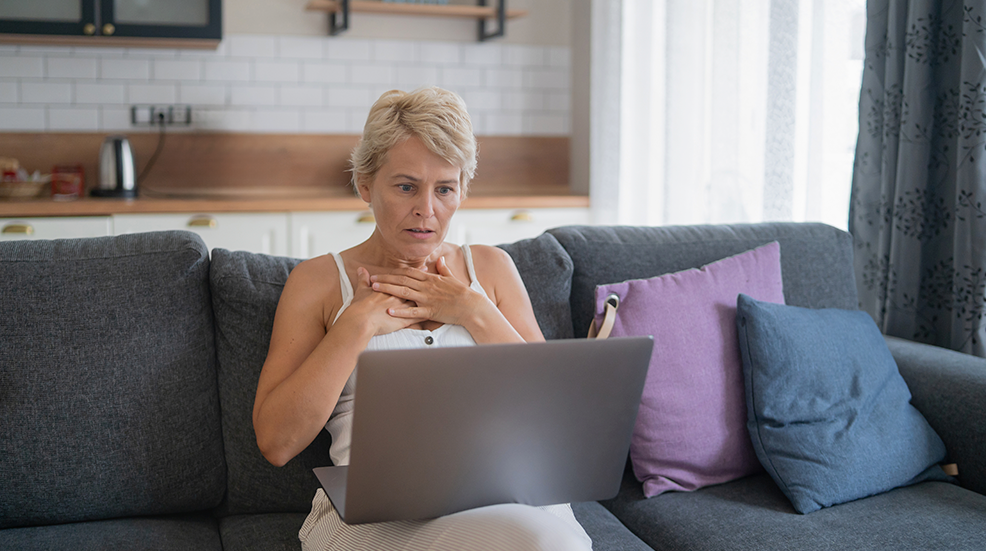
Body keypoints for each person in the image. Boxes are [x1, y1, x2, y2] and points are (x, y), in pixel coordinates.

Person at [252, 87, 593, 551]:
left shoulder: (490, 271)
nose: (426, 211)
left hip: (505, 497)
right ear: (365, 184)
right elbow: (276, 441)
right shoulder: (318, 283)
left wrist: (473, 310)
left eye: (445, 189)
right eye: (406, 186)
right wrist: (357, 326)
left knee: (545, 539)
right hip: (379, 518)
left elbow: (558, 416)